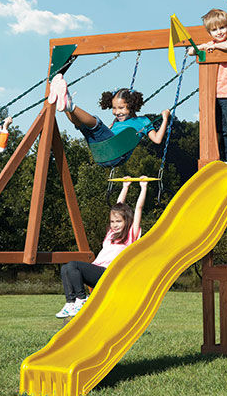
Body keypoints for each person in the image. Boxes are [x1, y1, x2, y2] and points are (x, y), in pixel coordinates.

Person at [56, 176, 149, 319]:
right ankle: (71, 303)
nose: (115, 224)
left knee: (74, 265)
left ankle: (81, 299)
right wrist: (125, 186)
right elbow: (118, 205)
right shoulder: (111, 234)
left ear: (127, 221)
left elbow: (139, 209)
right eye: (112, 221)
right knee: (65, 268)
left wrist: (143, 187)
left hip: (109, 273)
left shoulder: (131, 234)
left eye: (118, 221)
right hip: (97, 272)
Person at [47, 77, 170, 167]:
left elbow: (157, 139)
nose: (117, 112)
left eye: (121, 108)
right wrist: (111, 126)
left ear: (132, 106)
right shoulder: (116, 122)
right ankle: (63, 104)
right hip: (100, 155)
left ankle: (70, 105)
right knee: (83, 126)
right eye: (114, 108)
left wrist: (165, 119)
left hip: (116, 154)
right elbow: (107, 132)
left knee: (96, 125)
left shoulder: (143, 121)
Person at [188, 8, 227, 167]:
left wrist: (215, 48)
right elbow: (192, 51)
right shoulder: (210, 44)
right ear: (209, 32)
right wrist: (199, 48)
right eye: (214, 29)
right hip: (213, 94)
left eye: (222, 27)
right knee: (222, 129)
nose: (219, 32)